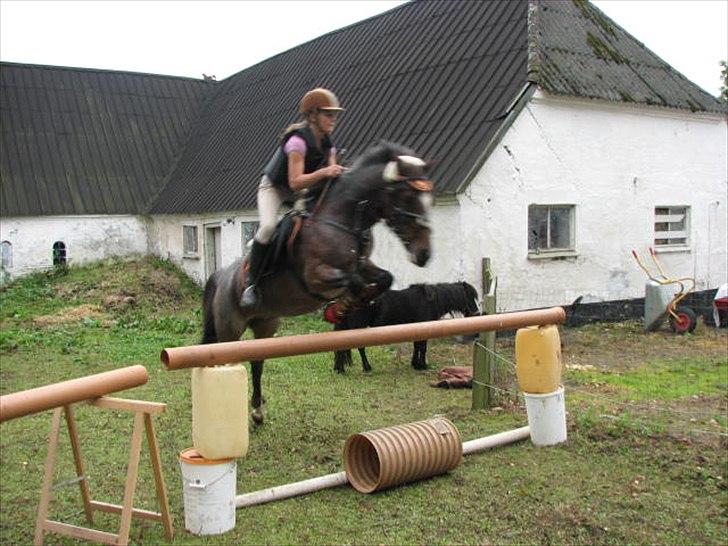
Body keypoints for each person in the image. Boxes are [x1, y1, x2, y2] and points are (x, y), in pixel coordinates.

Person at [241, 87, 345, 308]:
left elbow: (331, 171)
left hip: (300, 191)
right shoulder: (297, 142)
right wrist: (325, 172)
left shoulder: (328, 143)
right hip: (275, 188)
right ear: (313, 115)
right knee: (269, 227)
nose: (333, 119)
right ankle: (252, 283)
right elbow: (295, 181)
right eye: (328, 114)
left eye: (334, 114)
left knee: (316, 223)